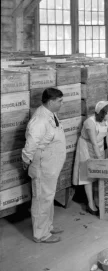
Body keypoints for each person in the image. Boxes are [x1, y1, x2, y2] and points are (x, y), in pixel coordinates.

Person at [22, 88, 66, 243]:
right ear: (51, 101)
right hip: (43, 165)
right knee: (41, 198)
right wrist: (26, 160)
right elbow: (31, 143)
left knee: (48, 196)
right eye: (60, 101)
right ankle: (41, 234)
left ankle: (48, 226)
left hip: (51, 165)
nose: (62, 103)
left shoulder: (50, 114)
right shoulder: (39, 119)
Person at [72, 101, 108, 216]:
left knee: (98, 173)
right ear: (101, 113)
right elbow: (93, 143)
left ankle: (97, 199)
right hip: (86, 146)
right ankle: (90, 204)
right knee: (87, 174)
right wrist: (100, 160)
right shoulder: (90, 123)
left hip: (98, 146)